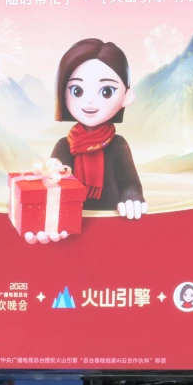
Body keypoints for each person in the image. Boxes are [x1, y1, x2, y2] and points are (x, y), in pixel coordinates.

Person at [34, 39, 145, 244]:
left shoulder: (118, 145)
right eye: (77, 91)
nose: (90, 101)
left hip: (112, 227)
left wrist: (131, 199)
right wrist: (50, 174)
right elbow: (54, 185)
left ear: (127, 96)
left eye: (106, 91)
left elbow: (129, 183)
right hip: (71, 229)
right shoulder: (65, 145)